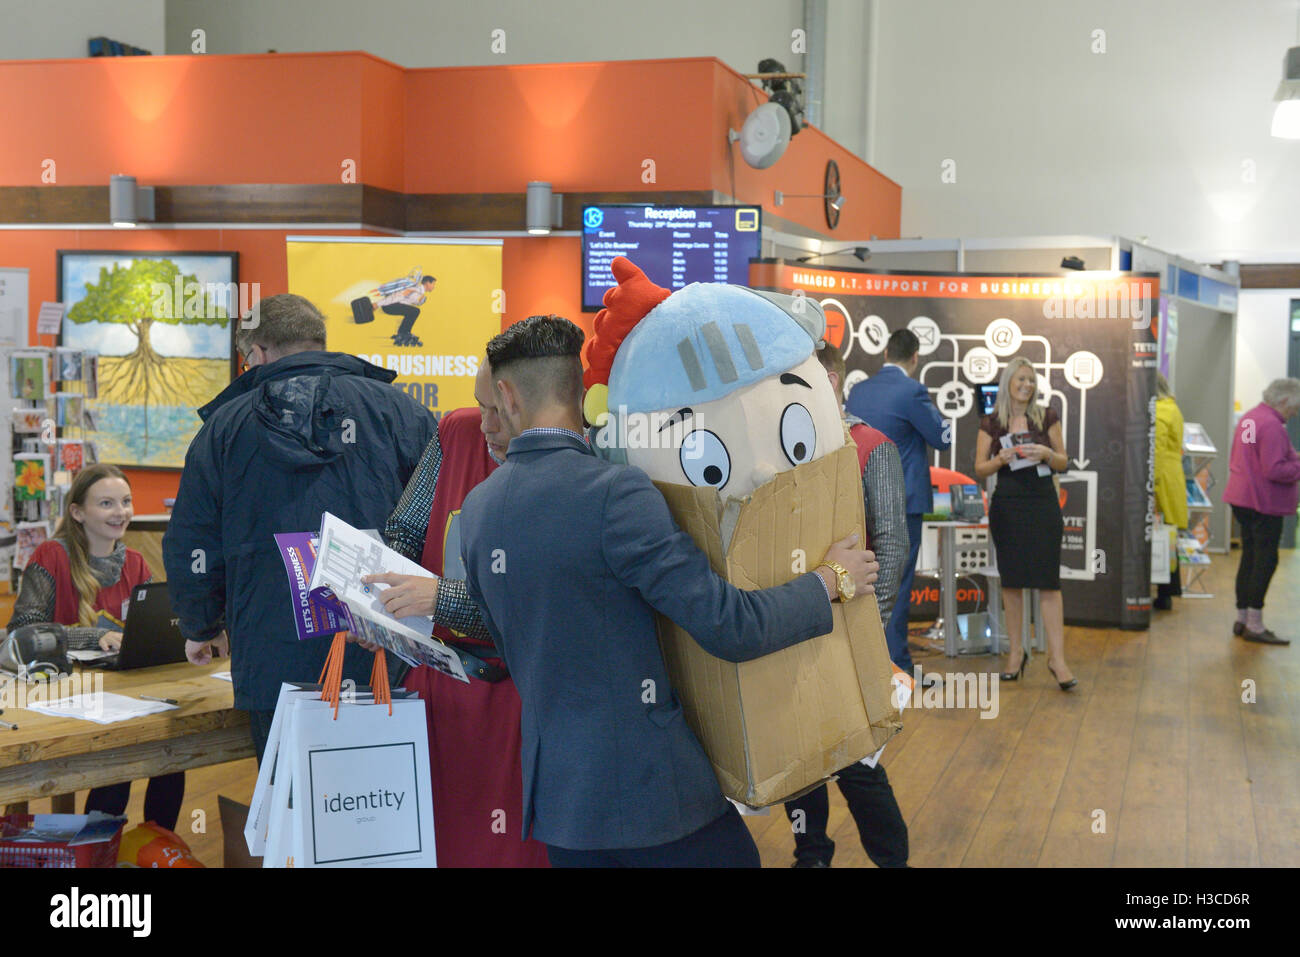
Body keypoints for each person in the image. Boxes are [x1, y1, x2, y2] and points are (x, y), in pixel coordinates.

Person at [460, 315, 879, 867]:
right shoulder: (615, 494)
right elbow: (730, 625)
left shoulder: (478, 511)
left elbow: (507, 642)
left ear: (507, 395)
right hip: (653, 800)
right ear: (580, 393)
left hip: (561, 809)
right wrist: (830, 579)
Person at [162, 293, 438, 763]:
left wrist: (201, 625)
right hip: (386, 646)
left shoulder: (224, 428)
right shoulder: (402, 412)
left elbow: (194, 539)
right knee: (385, 805)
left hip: (274, 655)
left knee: (290, 811)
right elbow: (441, 516)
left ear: (259, 353)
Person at [359, 358, 549, 867]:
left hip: (523, 698)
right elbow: (404, 533)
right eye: (480, 404)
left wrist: (437, 598)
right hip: (444, 688)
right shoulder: (457, 432)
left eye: (497, 410)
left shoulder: (572, 464)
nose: (485, 422)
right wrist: (380, 607)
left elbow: (540, 602)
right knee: (441, 841)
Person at [782, 340, 910, 868]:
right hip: (794, 628)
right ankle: (811, 854)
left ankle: (891, 859)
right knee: (797, 754)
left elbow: (893, 544)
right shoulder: (785, 447)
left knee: (857, 758)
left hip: (850, 638)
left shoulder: (870, 445)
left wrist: (864, 631)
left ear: (831, 380)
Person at [8, 463, 184, 829]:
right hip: (59, 695)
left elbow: (148, 624)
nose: (120, 512)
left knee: (173, 752)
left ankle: (160, 842)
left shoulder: (135, 563)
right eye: (106, 503)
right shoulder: (51, 556)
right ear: (77, 512)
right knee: (116, 763)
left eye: (125, 501)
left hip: (120, 689)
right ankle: (98, 848)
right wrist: (92, 636)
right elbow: (22, 631)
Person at [845, 328, 951, 676]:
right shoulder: (912, 390)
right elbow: (942, 437)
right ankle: (896, 668)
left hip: (857, 501)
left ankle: (862, 665)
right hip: (903, 502)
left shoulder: (858, 390)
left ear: (885, 352)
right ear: (915, 358)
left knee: (863, 584)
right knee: (897, 584)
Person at [973, 356, 1075, 690]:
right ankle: (1016, 653)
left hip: (1043, 504)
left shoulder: (1046, 416)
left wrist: (1045, 455)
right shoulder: (992, 421)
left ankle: (1057, 659)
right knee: (1012, 581)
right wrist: (999, 459)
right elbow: (979, 468)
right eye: (1021, 379)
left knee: (1049, 582)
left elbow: (1064, 461)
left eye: (1031, 380)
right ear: (1008, 383)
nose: (1027, 385)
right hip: (1008, 507)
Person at [1222, 377, 1300, 644]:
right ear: (1283, 401)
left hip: (1242, 498)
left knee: (1249, 557)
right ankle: (1255, 624)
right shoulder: (1272, 426)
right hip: (1263, 502)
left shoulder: (1251, 419)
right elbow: (1275, 468)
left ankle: (1242, 618)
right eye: (1294, 407)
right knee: (1265, 561)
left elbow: (1253, 456)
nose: (1294, 413)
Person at [1153, 373, 1188, 610]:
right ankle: (1167, 590)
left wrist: (1150, 486)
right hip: (1171, 476)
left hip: (1161, 480)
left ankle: (1163, 591)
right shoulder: (1171, 407)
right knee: (1167, 535)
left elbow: (1154, 451)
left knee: (1159, 532)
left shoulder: (1159, 411)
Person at [376, 273, 436, 347]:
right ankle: (404, 333)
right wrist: (378, 304)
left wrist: (421, 300)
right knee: (415, 311)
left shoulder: (420, 293)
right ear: (427, 283)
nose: (434, 287)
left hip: (393, 305)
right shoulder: (415, 289)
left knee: (413, 311)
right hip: (389, 305)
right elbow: (396, 296)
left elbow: (410, 301)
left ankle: (402, 332)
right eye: (433, 284)